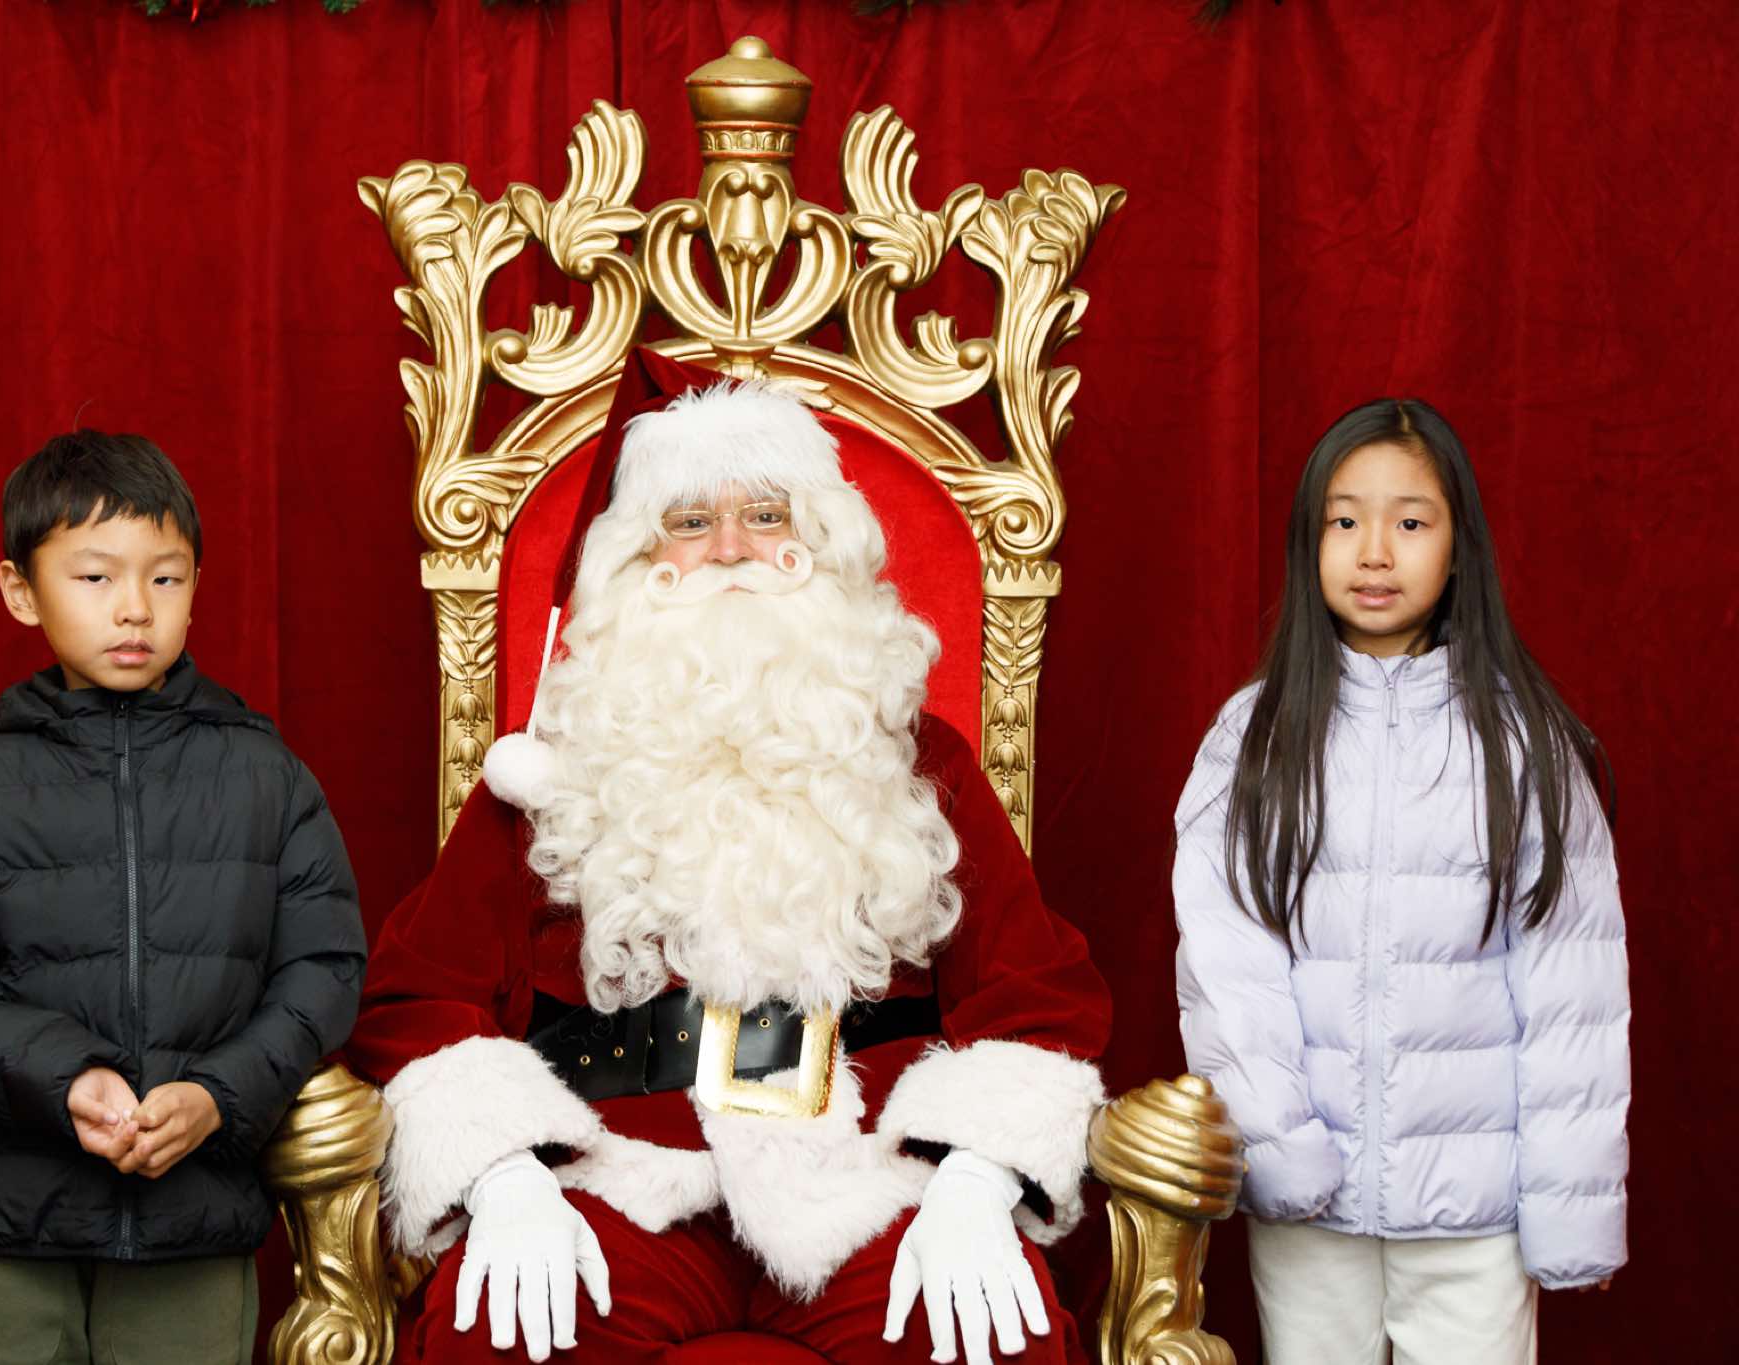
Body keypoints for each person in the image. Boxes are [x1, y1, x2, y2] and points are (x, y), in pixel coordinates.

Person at [347, 355, 1113, 1365]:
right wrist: (503, 1174)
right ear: (637, 559)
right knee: (494, 1331)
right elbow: (419, 999)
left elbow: (1035, 996)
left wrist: (975, 1178)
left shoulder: (919, 762)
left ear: (818, 540)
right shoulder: (549, 773)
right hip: (625, 1180)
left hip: (867, 1185)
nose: (731, 551)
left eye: (763, 514)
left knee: (992, 1337)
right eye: (691, 521)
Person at [0, 430, 367, 1365]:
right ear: (22, 590)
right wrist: (66, 1082)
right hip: (12, 1221)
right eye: (95, 577)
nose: (135, 606)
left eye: (165, 578)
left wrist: (217, 1096)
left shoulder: (267, 778)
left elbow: (325, 970)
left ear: (195, 587)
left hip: (194, 1221)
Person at [1172, 399, 1629, 1365]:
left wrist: (1571, 1209)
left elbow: (1575, 1000)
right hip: (1312, 1211)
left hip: (1477, 1219)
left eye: (1411, 522)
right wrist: (1282, 1148)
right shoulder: (1252, 738)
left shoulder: (1526, 745)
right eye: (1345, 520)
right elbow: (1225, 967)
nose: (1375, 551)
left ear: (1459, 550)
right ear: (1310, 541)